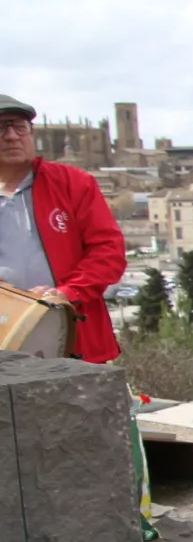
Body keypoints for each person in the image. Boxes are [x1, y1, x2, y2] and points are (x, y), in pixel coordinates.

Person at [0, 95, 125, 363]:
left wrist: (68, 293)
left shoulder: (74, 184)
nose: (11, 136)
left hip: (76, 339)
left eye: (19, 126)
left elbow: (109, 252)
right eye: (0, 127)